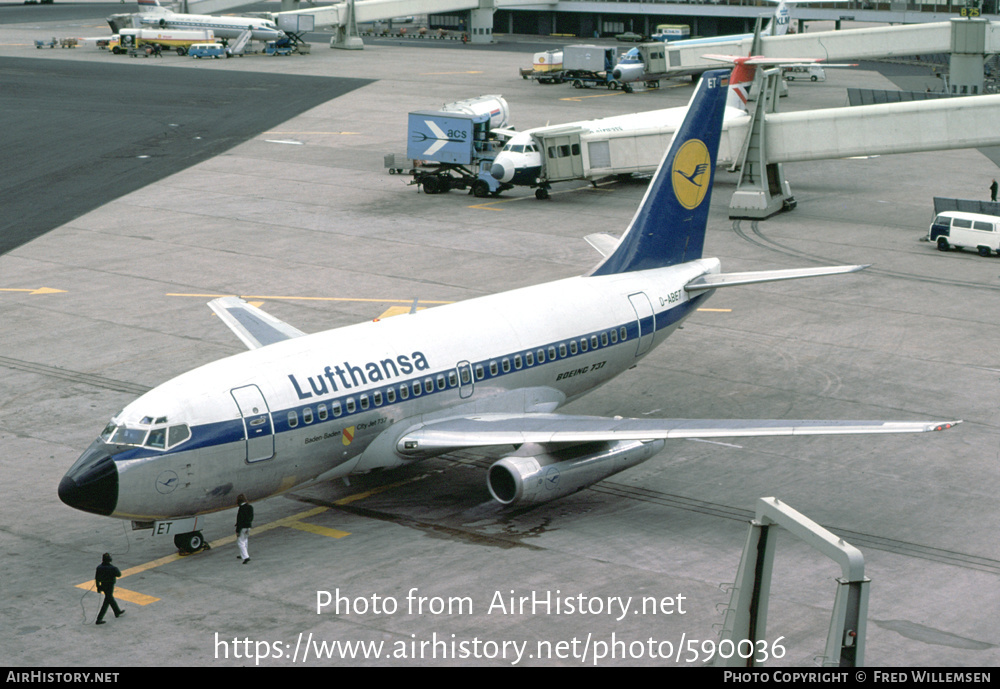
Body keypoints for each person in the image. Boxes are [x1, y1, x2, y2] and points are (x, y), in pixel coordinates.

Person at [94, 553, 124, 625]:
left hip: (103, 585)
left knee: (109, 598)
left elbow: (97, 578)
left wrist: (98, 587)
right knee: (107, 600)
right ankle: (99, 619)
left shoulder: (99, 567)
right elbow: (119, 574)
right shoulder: (112, 568)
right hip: (110, 586)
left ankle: (117, 611)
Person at [235, 494, 253, 564]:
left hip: (242, 527)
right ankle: (243, 554)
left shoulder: (241, 508)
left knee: (240, 542)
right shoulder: (250, 507)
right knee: (245, 540)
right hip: (248, 526)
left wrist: (237, 530)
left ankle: (246, 557)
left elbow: (239, 520)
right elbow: (251, 517)